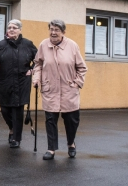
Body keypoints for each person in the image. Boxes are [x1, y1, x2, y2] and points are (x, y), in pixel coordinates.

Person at [32, 19, 87, 160]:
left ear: (63, 32)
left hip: (69, 89)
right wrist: (36, 78)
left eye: (57, 30)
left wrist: (77, 83)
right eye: (51, 29)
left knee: (71, 120)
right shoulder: (44, 45)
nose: (53, 32)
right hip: (50, 88)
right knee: (50, 120)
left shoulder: (72, 46)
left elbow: (81, 68)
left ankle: (71, 143)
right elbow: (37, 64)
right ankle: (51, 149)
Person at [0, 20, 37, 148]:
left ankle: (16, 138)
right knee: (4, 109)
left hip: (21, 82)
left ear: (20, 30)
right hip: (5, 82)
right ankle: (12, 128)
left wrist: (33, 69)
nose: (11, 29)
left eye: (14, 27)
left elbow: (39, 59)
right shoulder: (2, 44)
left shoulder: (27, 44)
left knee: (17, 110)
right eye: (9, 27)